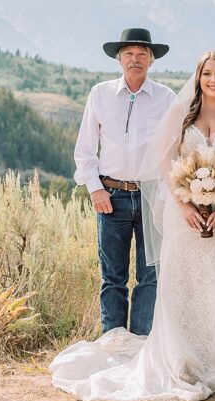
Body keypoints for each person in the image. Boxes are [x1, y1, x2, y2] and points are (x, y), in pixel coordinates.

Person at [51, 51, 215, 401]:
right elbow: (165, 160)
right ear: (198, 78)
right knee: (182, 285)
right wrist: (184, 204)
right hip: (185, 217)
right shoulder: (183, 114)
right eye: (207, 74)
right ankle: (184, 360)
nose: (213, 80)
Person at [73, 28, 175, 336]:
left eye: (142, 54)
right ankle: (113, 341)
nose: (135, 60)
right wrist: (95, 188)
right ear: (119, 59)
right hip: (111, 195)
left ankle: (142, 343)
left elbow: (174, 152)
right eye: (129, 54)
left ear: (151, 61)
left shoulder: (166, 98)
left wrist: (163, 198)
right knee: (113, 277)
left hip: (151, 196)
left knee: (150, 275)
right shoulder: (100, 94)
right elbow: (85, 149)